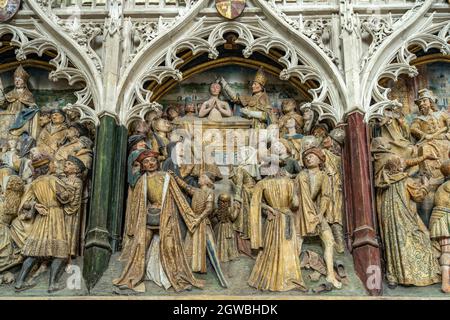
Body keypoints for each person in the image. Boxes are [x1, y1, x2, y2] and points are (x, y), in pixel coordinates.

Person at [113, 150, 205, 292]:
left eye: (152, 160)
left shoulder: (166, 177)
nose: (150, 163)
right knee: (140, 247)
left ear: (157, 162)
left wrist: (190, 216)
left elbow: (179, 197)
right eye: (146, 162)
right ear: (143, 165)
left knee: (170, 247)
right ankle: (132, 278)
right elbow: (137, 203)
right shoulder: (141, 181)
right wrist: (133, 224)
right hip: (149, 217)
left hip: (166, 216)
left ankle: (178, 277)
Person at [375, 153, 440, 288]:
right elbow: (419, 196)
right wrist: (426, 184)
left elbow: (409, 161)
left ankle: (394, 275)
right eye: (402, 162)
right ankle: (417, 275)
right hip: (405, 218)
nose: (404, 163)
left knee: (394, 244)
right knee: (422, 240)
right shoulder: (406, 181)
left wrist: (424, 157)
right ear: (399, 167)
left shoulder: (383, 182)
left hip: (389, 221)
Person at [14, 156, 72, 292]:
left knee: (34, 252)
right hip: (55, 216)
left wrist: (36, 205)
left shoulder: (34, 184)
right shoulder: (53, 180)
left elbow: (24, 204)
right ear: (47, 167)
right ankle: (52, 284)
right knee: (60, 253)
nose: (53, 166)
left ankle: (19, 282)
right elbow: (65, 197)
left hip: (42, 218)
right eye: (52, 164)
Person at [248, 169, 306, 292]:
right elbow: (295, 204)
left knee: (272, 247)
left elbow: (255, 203)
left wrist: (268, 207)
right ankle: (288, 278)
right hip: (286, 216)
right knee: (288, 248)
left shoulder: (262, 184)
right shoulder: (290, 182)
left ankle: (271, 279)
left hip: (274, 219)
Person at [295, 147, 342, 288]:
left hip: (315, 212)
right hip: (300, 213)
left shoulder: (323, 176)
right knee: (296, 242)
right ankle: (295, 275)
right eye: (306, 157)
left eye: (312, 156)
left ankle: (330, 275)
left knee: (329, 240)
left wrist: (320, 214)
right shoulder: (300, 176)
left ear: (320, 159)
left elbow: (325, 196)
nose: (308, 158)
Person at [430, 160, 450, 293]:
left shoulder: (443, 185)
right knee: (447, 251)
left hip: (441, 217)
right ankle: (445, 281)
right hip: (444, 218)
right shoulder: (448, 185)